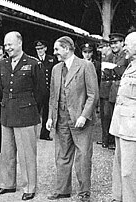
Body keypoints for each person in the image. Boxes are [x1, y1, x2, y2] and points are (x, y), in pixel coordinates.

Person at [0, 31, 46, 201]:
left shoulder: (33, 63)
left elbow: (41, 92)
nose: (7, 48)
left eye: (10, 45)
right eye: (5, 45)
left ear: (20, 43)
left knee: (26, 154)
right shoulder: (3, 64)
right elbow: (2, 88)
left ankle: (29, 187)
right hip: (7, 112)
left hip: (26, 114)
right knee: (7, 152)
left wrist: (29, 106)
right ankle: (7, 184)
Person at [46, 36, 99, 201]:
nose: (54, 53)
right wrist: (50, 117)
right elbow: (53, 96)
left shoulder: (86, 66)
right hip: (61, 119)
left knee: (83, 155)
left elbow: (93, 95)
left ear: (67, 48)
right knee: (62, 154)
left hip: (79, 119)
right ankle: (63, 190)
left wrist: (84, 115)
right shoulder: (56, 69)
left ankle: (84, 192)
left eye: (57, 49)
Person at [109, 31, 136, 202]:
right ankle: (118, 197)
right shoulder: (130, 65)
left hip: (132, 126)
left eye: (127, 44)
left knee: (129, 170)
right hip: (121, 123)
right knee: (118, 165)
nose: (124, 47)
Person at [99, 33, 129, 150]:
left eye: (116, 43)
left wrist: (112, 69)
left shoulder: (125, 56)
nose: (113, 46)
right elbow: (105, 71)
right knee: (105, 115)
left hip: (117, 90)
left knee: (115, 116)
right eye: (111, 43)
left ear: (122, 43)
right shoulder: (109, 55)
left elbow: (121, 71)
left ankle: (114, 141)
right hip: (106, 89)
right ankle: (106, 140)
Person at [34, 40, 57, 141]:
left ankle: (45, 133)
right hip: (37, 92)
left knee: (47, 113)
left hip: (48, 91)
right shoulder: (34, 61)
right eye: (38, 49)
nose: (39, 51)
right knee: (35, 113)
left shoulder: (52, 59)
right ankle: (32, 134)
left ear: (45, 48)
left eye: (41, 48)